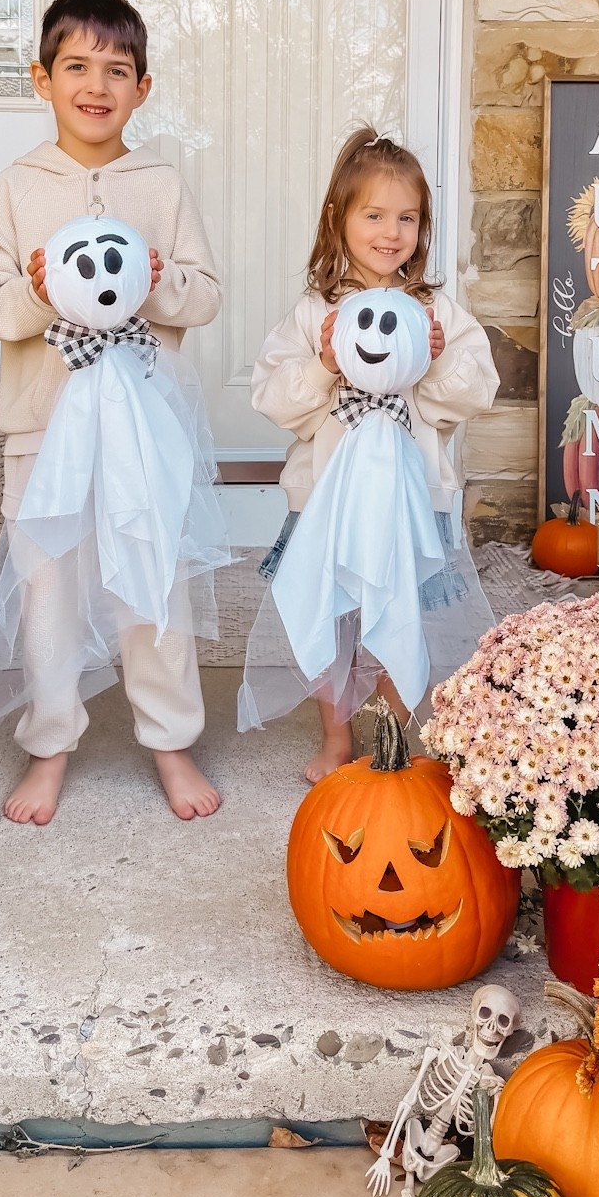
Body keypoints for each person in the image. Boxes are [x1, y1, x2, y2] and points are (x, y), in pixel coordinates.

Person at [0, 0, 223, 827]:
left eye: (117, 69)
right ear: (42, 78)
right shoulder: (17, 187)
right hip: (45, 427)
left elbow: (203, 293)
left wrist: (153, 276)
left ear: (144, 86)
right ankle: (49, 745)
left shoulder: (161, 186)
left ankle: (171, 739)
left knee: (154, 584)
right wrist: (39, 295)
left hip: (144, 430)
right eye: (76, 66)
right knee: (50, 591)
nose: (96, 84)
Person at [243, 129, 498, 781]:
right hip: (330, 496)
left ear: (423, 226)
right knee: (335, 618)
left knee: (398, 610)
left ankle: (392, 733)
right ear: (339, 219)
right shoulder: (315, 313)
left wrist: (433, 359)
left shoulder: (432, 309)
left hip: (408, 499)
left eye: (407, 218)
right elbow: (274, 394)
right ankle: (334, 737)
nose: (391, 232)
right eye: (374, 215)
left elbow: (476, 386)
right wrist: (326, 367)